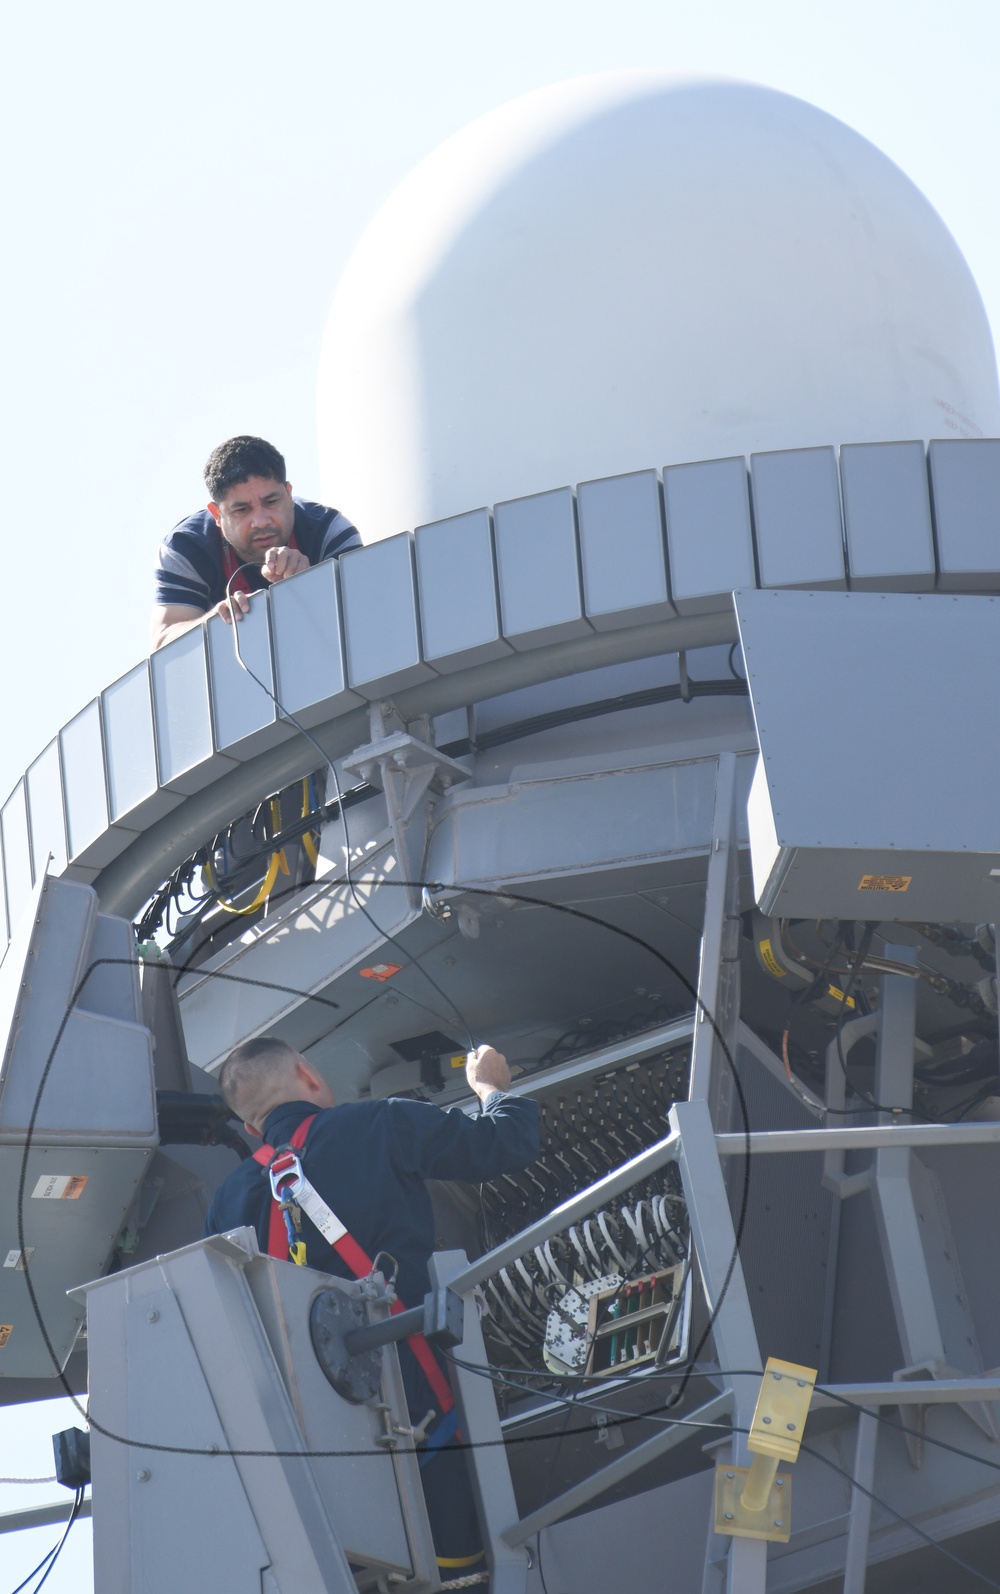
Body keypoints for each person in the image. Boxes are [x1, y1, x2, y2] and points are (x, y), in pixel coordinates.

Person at [204, 1035, 540, 1579]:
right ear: (309, 1076)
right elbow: (506, 1143)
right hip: (419, 1412)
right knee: (464, 1569)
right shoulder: (381, 1122)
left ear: (251, 1128)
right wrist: (492, 1088)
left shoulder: (227, 1204)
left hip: (320, 1456)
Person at [151, 435, 360, 651]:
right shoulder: (186, 547)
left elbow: (370, 614)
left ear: (289, 494)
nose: (260, 521)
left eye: (271, 502)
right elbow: (163, 641)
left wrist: (313, 584)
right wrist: (214, 621)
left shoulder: (329, 530)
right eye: (242, 510)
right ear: (216, 514)